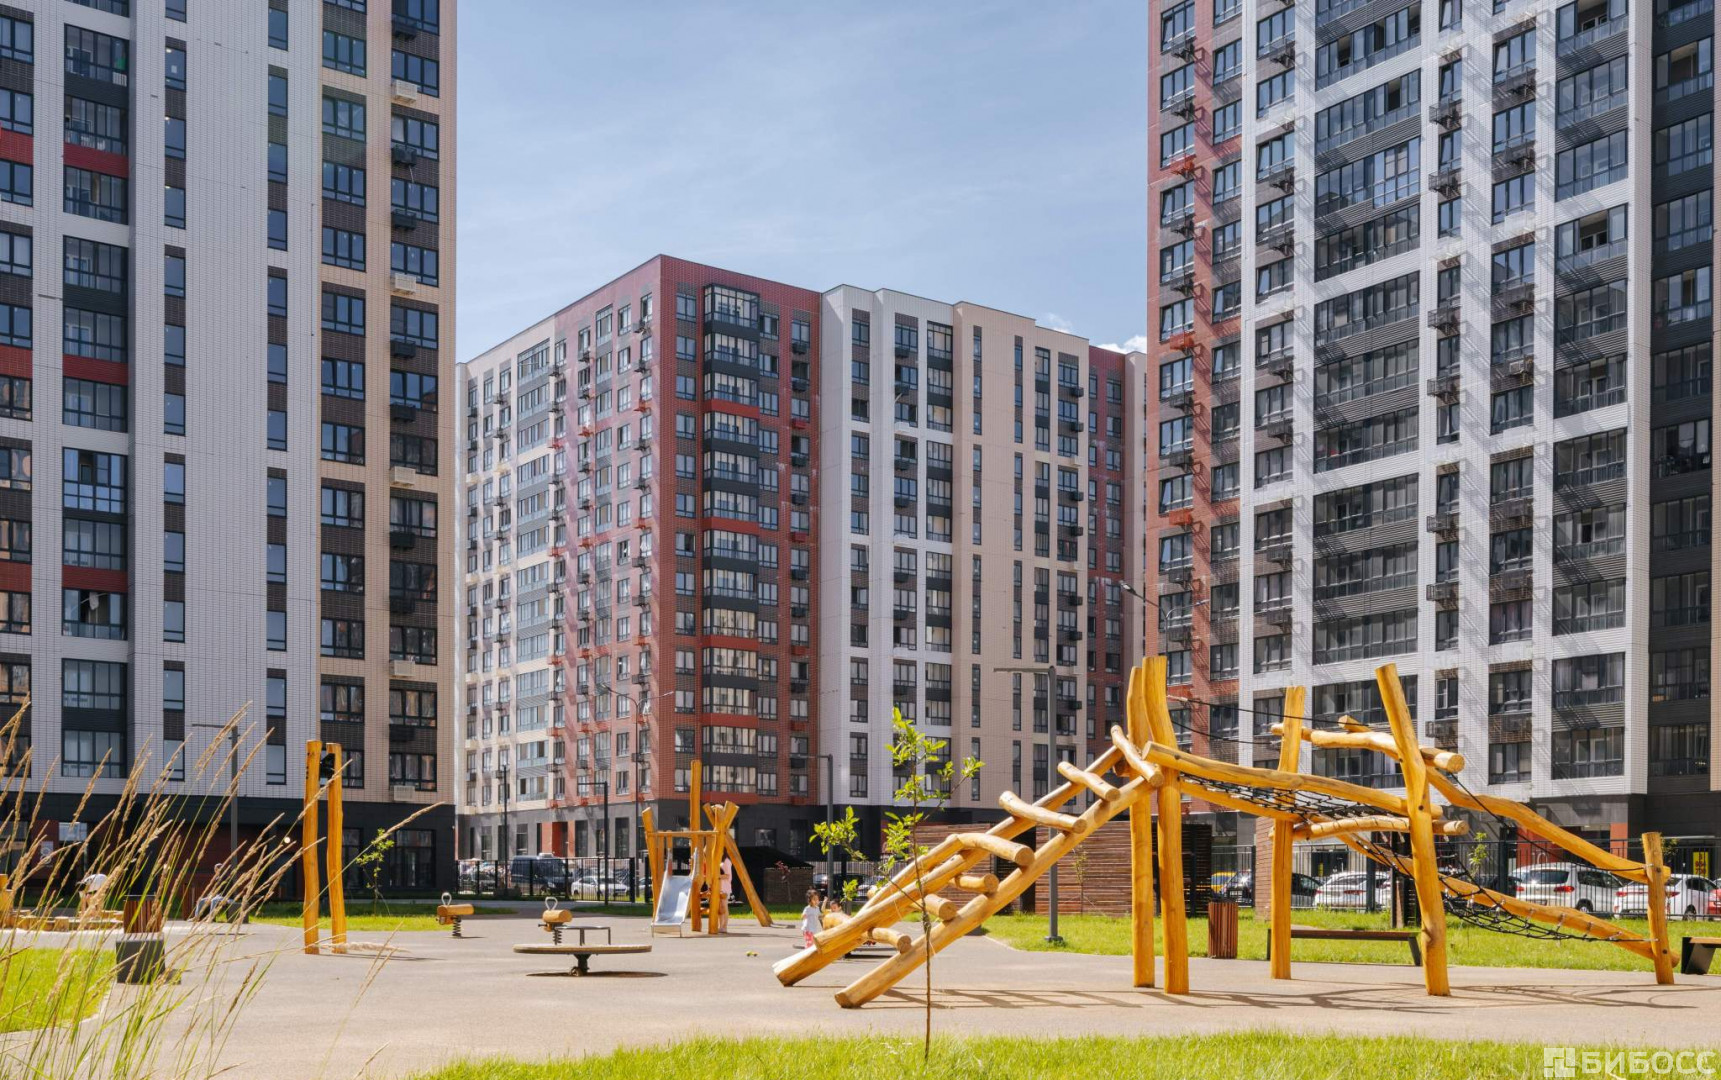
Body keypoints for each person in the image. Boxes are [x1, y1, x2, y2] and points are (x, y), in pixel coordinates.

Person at [718, 855, 733, 933]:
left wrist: (717, 876)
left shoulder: (726, 861)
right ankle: (720, 926)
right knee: (720, 908)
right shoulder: (718, 860)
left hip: (725, 887)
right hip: (718, 887)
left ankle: (724, 926)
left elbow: (728, 876)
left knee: (724, 907)